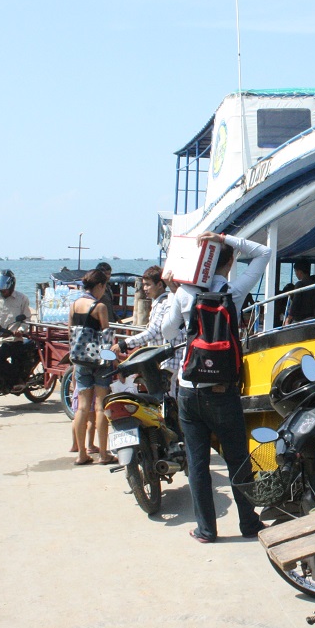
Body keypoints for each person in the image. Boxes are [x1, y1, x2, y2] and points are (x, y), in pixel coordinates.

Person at [159, 231, 270, 542]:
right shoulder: (233, 291)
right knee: (238, 459)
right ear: (230, 261)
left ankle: (206, 529)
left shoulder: (183, 294)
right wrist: (224, 237)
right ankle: (249, 524)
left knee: (198, 463)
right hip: (222, 391)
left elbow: (168, 333)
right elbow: (265, 252)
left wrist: (173, 291)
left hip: (189, 390)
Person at [111, 265, 186, 393]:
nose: (144, 288)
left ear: (160, 285)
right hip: (166, 358)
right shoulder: (163, 302)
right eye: (144, 285)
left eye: (148, 285)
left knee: (165, 399)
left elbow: (151, 333)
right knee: (168, 397)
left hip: (166, 359)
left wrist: (124, 344)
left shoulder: (163, 303)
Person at [69, 270, 117, 466]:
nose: (103, 291)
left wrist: (74, 364)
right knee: (100, 407)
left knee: (81, 408)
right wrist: (115, 360)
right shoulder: (100, 307)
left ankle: (82, 454)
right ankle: (104, 454)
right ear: (98, 286)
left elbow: (70, 335)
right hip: (99, 363)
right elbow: (107, 340)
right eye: (104, 286)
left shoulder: (73, 305)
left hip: (80, 361)